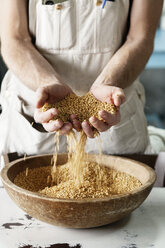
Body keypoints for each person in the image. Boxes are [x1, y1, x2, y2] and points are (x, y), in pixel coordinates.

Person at [0, 0, 163, 159]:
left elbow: (140, 38)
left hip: (112, 105)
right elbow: (14, 39)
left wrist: (108, 82)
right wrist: (47, 82)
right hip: (38, 106)